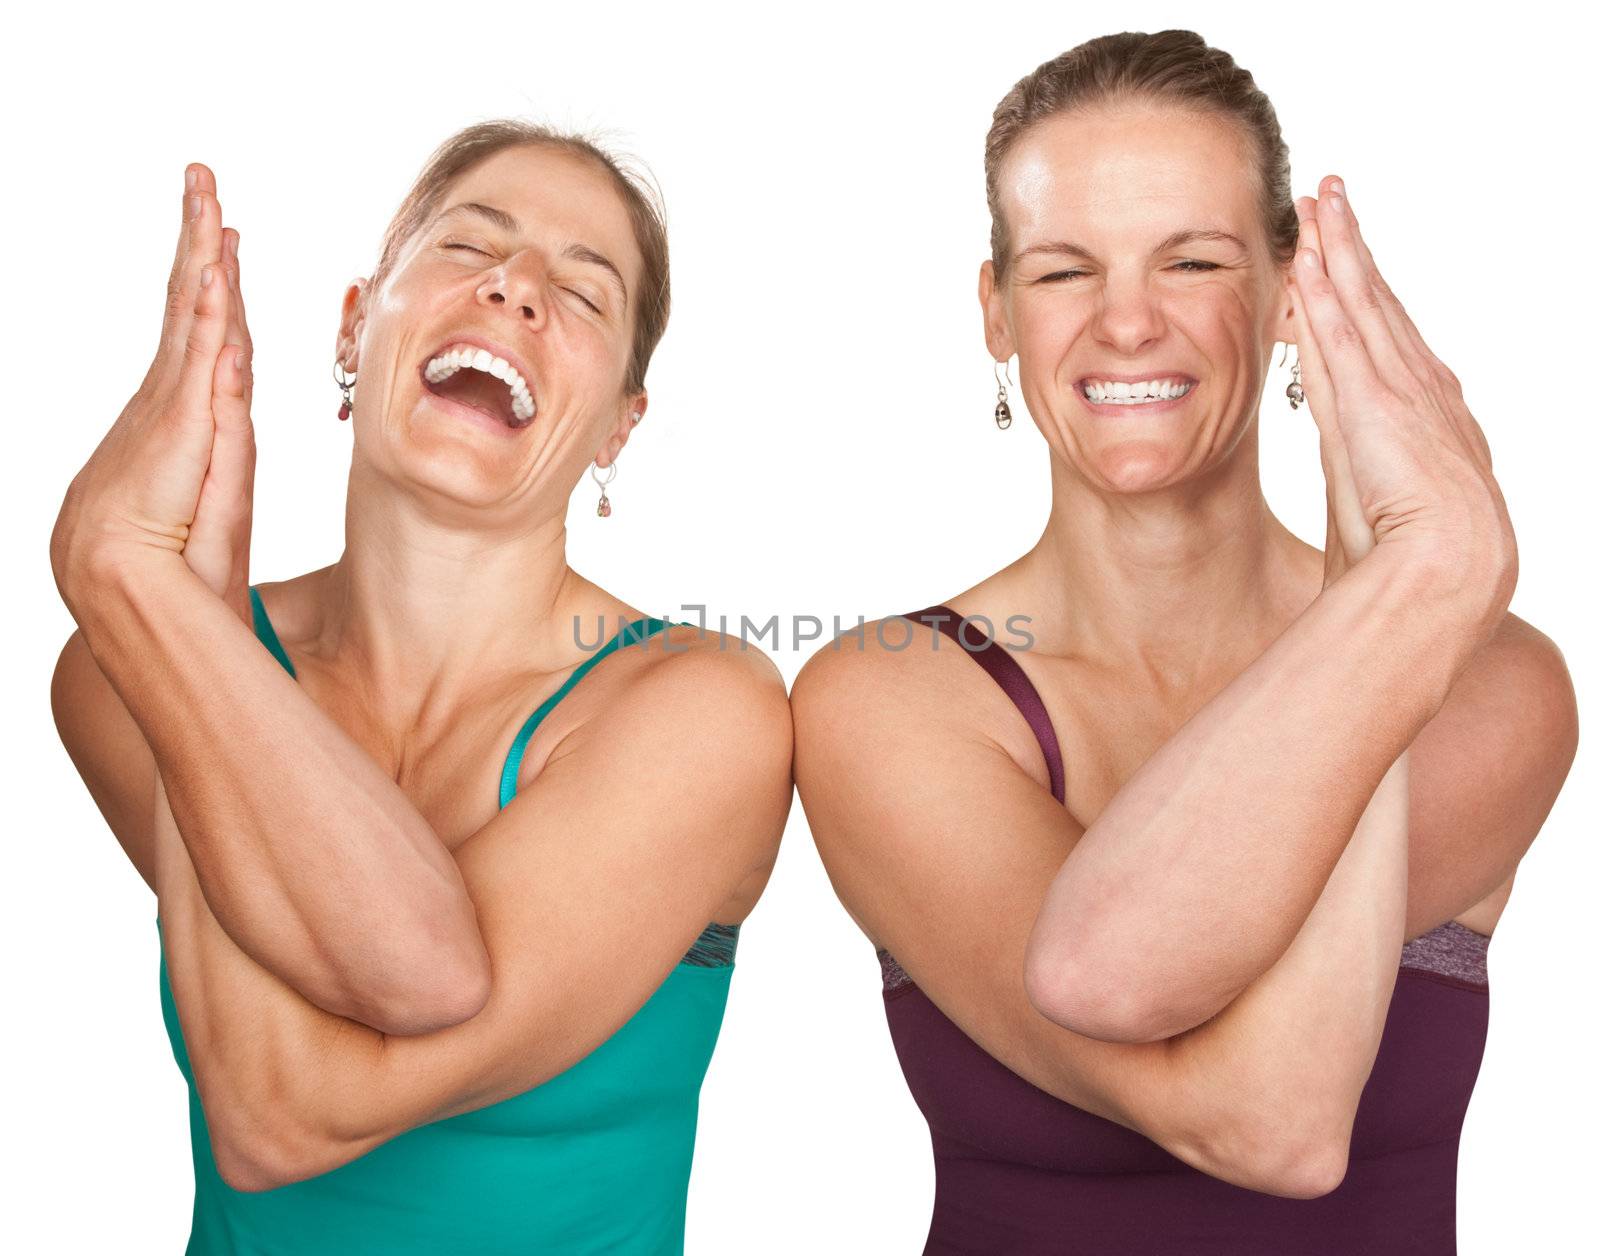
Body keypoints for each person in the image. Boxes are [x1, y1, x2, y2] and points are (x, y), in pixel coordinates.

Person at [791, 30, 1577, 1255]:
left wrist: (1400, 600)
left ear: (1285, 289)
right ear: (994, 313)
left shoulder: (1497, 683)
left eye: (1191, 259)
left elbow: (1271, 1099)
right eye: (1061, 272)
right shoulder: (882, 698)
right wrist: (1408, 585)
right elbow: (1259, 1114)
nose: (1125, 323)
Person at [49, 121, 792, 1254]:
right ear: (356, 324)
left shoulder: (705, 712)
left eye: (584, 293)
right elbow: (369, 988)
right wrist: (176, 613)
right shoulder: (124, 664)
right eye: (466, 246)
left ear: (617, 430)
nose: (515, 289)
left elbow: (282, 1111)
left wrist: (143, 587)